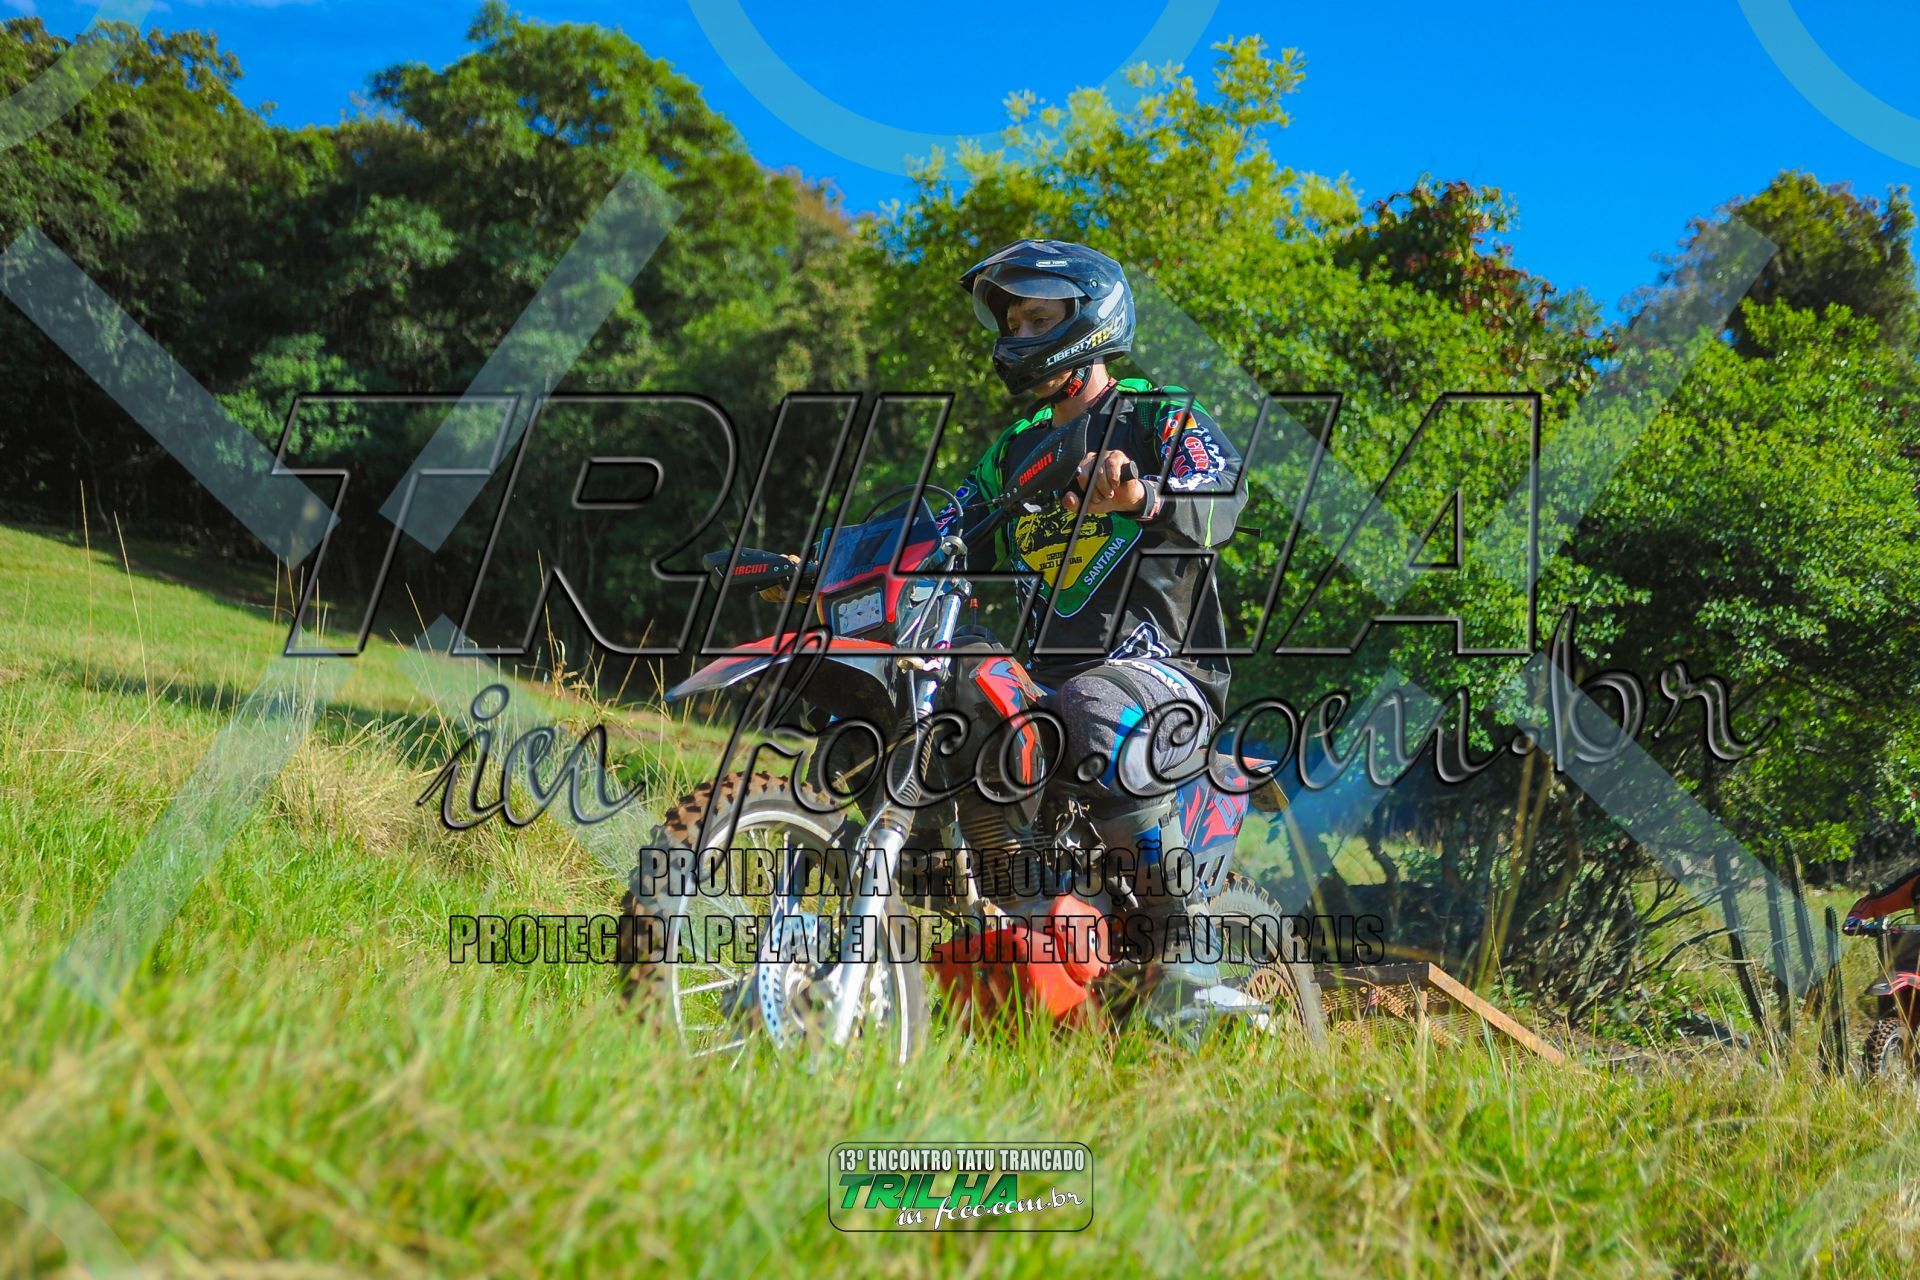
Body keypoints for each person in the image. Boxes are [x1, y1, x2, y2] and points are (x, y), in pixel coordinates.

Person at [933, 238, 1247, 977]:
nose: (1018, 335)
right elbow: (945, 532)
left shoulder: (1158, 414)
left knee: (1094, 705)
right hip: (1047, 674)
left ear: (1090, 318)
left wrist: (1140, 495)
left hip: (1164, 670)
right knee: (955, 671)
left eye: (1038, 320)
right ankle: (1018, 901)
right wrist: (833, 563)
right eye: (1013, 322)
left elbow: (1224, 494)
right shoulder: (1013, 450)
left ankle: (1189, 956)